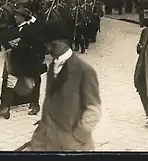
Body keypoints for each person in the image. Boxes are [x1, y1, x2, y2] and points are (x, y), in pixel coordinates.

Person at [28, 20, 101, 151]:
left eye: (53, 45)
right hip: (45, 138)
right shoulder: (52, 67)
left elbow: (93, 110)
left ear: (65, 43)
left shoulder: (84, 71)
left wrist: (78, 137)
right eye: (47, 44)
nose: (49, 49)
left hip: (72, 143)